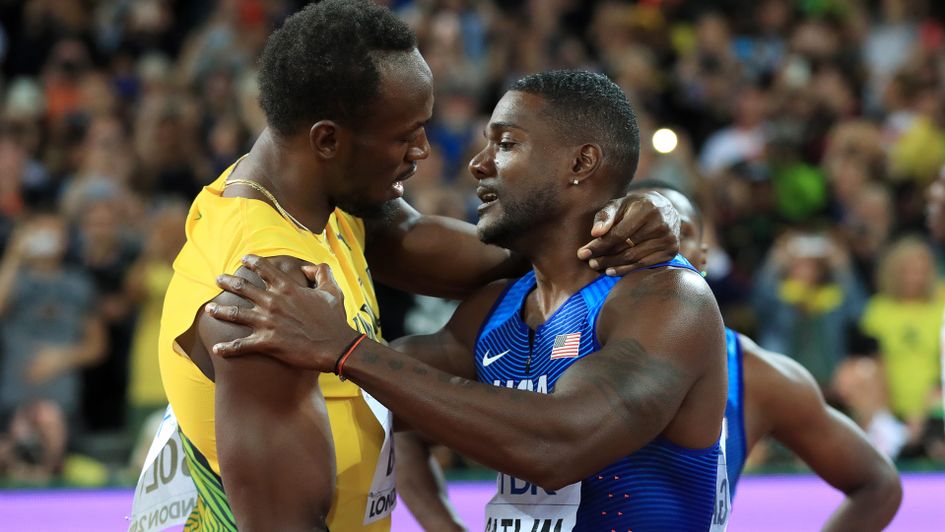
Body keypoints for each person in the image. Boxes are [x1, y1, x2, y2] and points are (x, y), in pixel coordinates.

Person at [155, 3, 681, 531]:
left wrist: (626, 214)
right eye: (404, 135)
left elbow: (432, 244)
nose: (424, 151)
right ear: (328, 140)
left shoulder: (323, 204)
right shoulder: (268, 293)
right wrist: (350, 352)